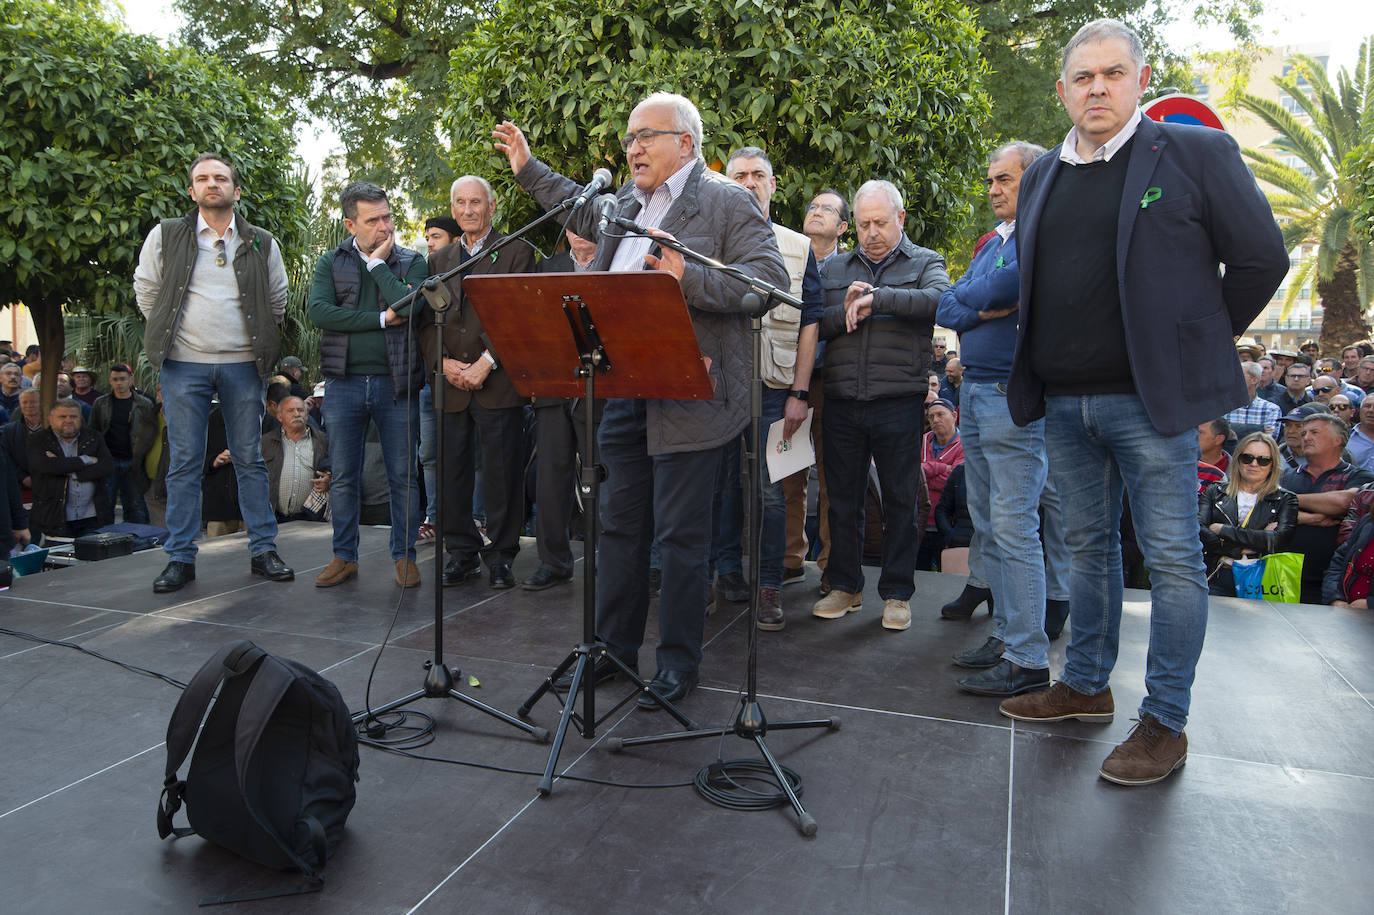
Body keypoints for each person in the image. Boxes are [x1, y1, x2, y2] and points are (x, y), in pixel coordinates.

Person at [997, 19, 1289, 786]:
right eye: (1082, 77)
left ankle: (1164, 721)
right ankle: (1086, 685)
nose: (1097, 88)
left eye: (1112, 74)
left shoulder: (1192, 152)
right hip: (1067, 403)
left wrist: (1200, 338)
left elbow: (1262, 255)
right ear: (1062, 89)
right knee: (1089, 552)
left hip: (1151, 404)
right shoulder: (1041, 176)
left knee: (1171, 561)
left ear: (1140, 78)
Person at [494, 91, 788, 707]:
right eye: (628, 139)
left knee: (681, 539)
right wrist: (526, 168)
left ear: (685, 142)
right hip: (622, 388)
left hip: (692, 393)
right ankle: (612, 651)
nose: (632, 148)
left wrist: (691, 278)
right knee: (619, 528)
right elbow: (576, 206)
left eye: (644, 136)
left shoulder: (728, 202)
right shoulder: (626, 202)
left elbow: (769, 285)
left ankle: (680, 663)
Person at [936, 139, 1070, 694]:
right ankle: (1008, 635)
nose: (993, 189)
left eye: (1005, 180)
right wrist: (977, 300)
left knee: (1015, 526)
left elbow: (999, 288)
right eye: (990, 180)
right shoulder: (995, 242)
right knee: (989, 521)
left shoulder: (1044, 234)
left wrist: (978, 297)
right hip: (976, 391)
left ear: (1034, 180)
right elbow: (949, 303)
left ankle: (1028, 659)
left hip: (1014, 395)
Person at [134, 152, 295, 593]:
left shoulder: (260, 241)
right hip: (184, 365)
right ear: (192, 191)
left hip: (244, 364)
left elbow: (277, 299)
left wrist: (253, 341)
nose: (212, 184)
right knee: (184, 462)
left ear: (235, 190)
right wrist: (176, 337)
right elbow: (147, 291)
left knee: (249, 459)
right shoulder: (167, 235)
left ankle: (263, 550)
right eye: (202, 179)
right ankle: (180, 559)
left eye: (220, 178)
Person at [810, 179, 951, 632]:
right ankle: (844, 586)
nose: (871, 232)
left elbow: (939, 302)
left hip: (899, 401)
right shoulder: (834, 270)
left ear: (901, 219)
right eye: (865, 223)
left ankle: (896, 593)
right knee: (843, 502)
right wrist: (844, 310)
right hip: (843, 399)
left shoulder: (925, 261)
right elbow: (813, 323)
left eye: (880, 223)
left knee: (900, 501)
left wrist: (879, 299)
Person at [717, 145, 823, 628]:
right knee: (716, 487)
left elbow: (810, 323)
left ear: (773, 185)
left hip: (777, 389)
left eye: (759, 174)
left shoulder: (799, 247)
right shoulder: (707, 240)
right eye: (739, 174)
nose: (749, 182)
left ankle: (769, 588)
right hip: (717, 388)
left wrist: (800, 393)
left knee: (771, 493)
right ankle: (722, 577)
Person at [307, 181, 428, 589]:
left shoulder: (412, 261)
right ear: (350, 224)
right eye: (373, 220)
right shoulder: (330, 263)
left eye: (387, 217)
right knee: (343, 474)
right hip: (343, 384)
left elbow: (411, 305)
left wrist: (378, 266)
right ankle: (344, 556)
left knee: (402, 475)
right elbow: (320, 313)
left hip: (397, 384)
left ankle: (404, 556)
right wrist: (377, 320)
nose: (384, 227)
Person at [419, 175, 537, 590]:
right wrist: (443, 363)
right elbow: (426, 322)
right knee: (451, 472)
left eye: (476, 202)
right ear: (452, 209)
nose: (468, 210)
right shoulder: (438, 259)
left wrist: (487, 362)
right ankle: (461, 552)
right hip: (450, 384)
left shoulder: (518, 251)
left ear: (491, 207)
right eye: (461, 203)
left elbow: (522, 317)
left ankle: (502, 556)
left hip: (498, 380)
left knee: (502, 474)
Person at [525, 229, 598, 591]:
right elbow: (533, 326)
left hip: (603, 388)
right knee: (550, 476)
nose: (580, 233)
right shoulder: (547, 266)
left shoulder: (616, 262)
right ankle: (553, 563)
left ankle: (609, 560)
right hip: (554, 385)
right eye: (574, 226)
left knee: (604, 475)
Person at [798, 188, 850, 594]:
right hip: (790, 383)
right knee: (786, 474)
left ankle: (831, 567)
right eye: (813, 206)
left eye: (827, 209)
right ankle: (786, 560)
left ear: (843, 227)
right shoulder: (786, 256)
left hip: (832, 384)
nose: (816, 212)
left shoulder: (851, 268)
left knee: (833, 479)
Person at [1281, 412, 1374, 603]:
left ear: (1337, 440)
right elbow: (1268, 510)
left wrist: (1288, 501)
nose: (1305, 437)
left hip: (1331, 582)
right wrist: (1312, 517)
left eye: (1314, 432)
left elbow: (1344, 502)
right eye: (1304, 433)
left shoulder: (1358, 475)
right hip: (1282, 576)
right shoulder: (1286, 476)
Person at [1198, 432, 1298, 597]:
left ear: (1273, 465)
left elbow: (1277, 541)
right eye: (1247, 458)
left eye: (1263, 460)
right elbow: (1199, 530)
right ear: (1238, 460)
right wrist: (1258, 537)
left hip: (1263, 579)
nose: (1254, 464)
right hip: (1218, 574)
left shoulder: (1285, 499)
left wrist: (1222, 530)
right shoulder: (1215, 491)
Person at [27, 398, 114, 540]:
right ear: (51, 419)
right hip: (53, 518)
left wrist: (67, 469)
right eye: (62, 416)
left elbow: (107, 467)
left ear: (80, 419)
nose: (68, 420)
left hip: (92, 517)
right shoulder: (38, 440)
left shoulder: (94, 437)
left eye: (73, 416)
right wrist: (86, 460)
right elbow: (44, 466)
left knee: (95, 561)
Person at [90, 363, 155, 524]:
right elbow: (93, 431)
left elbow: (150, 434)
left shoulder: (144, 404)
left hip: (134, 461)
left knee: (135, 506)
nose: (119, 383)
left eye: (122, 379)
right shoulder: (101, 403)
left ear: (130, 380)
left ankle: (138, 543)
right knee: (105, 505)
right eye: (115, 379)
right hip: (109, 460)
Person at [262, 395, 331, 521]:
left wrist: (329, 481)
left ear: (306, 414)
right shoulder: (266, 442)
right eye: (290, 410)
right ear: (279, 417)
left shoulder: (323, 440)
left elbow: (338, 470)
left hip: (313, 518)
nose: (296, 414)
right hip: (274, 518)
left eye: (300, 410)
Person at [916, 398, 962, 571]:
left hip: (949, 524)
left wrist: (924, 475)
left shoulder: (964, 444)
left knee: (948, 578)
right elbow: (910, 473)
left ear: (954, 415)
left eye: (940, 415)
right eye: (931, 416)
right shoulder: (921, 441)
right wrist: (942, 467)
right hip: (920, 522)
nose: (935, 420)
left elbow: (956, 482)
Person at [1223, 361, 1281, 436]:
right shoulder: (1222, 406)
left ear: (1254, 380)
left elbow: (1268, 441)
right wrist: (1258, 429)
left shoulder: (1270, 409)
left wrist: (1233, 429)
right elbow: (1218, 437)